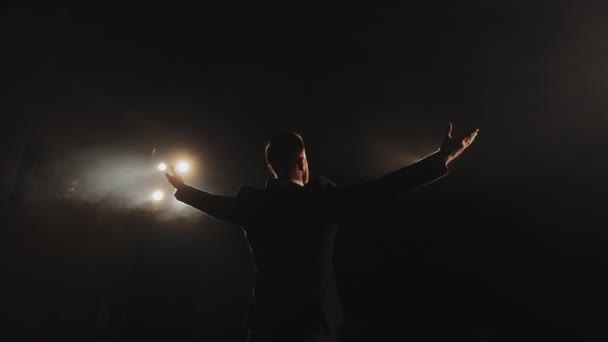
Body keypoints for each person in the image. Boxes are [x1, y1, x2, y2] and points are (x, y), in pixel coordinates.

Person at [165, 122, 479, 342]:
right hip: (312, 331)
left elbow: (213, 203)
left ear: (272, 166)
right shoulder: (323, 202)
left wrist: (183, 189)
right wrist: (443, 158)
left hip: (266, 330)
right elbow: (385, 188)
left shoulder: (253, 204)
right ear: (303, 161)